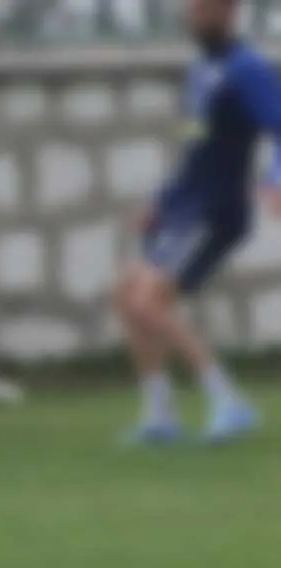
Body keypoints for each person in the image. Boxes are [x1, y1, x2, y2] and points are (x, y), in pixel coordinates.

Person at [114, 0, 281, 445]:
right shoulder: (203, 71)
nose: (196, 16)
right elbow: (195, 148)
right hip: (185, 209)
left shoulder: (246, 69)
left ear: (228, 12)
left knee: (149, 302)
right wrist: (163, 202)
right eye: (193, 8)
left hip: (216, 210)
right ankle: (159, 413)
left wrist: (275, 179)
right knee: (128, 295)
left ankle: (227, 401)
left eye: (206, 8)